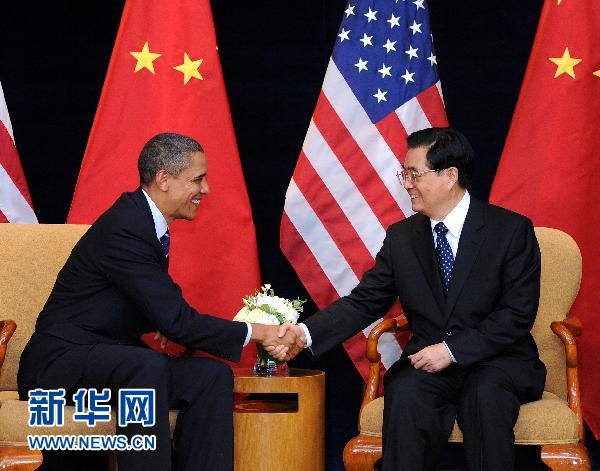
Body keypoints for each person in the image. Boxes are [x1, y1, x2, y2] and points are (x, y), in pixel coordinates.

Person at [18, 132, 299, 471]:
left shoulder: (146, 223)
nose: (207, 189)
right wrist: (259, 332)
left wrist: (161, 322)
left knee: (211, 376)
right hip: (58, 364)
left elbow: (144, 304)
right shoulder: (127, 227)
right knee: (145, 365)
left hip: (108, 360)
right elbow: (177, 320)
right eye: (197, 179)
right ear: (164, 180)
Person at [277, 127, 546, 471]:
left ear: (450, 176)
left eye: (414, 174)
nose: (406, 184)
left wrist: (452, 351)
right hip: (427, 364)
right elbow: (364, 302)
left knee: (484, 394)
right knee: (405, 392)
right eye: (404, 174)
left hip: (497, 362)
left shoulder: (509, 230)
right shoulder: (402, 237)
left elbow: (517, 314)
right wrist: (304, 333)